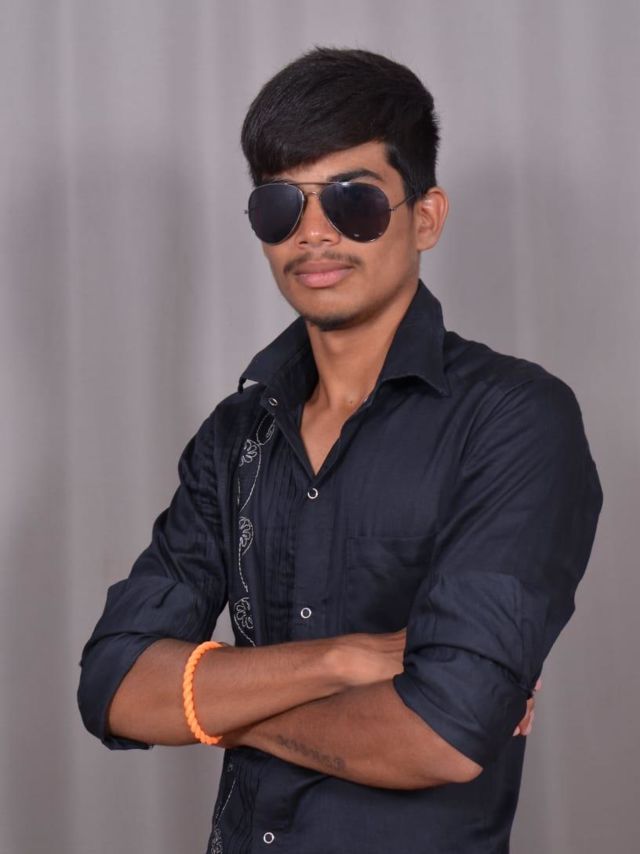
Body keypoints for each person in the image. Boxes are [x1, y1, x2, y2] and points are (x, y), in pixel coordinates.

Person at [77, 47, 603, 853]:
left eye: (353, 201)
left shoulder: (514, 418)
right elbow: (113, 685)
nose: (314, 234)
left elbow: (445, 732)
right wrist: (341, 661)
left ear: (425, 217)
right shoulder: (234, 435)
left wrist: (217, 706)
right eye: (280, 206)